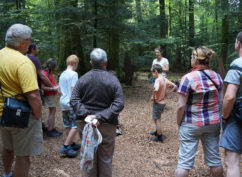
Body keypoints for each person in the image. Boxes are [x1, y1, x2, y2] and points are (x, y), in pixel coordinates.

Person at [70, 48, 124, 177]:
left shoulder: (83, 79)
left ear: (91, 62)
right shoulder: (113, 80)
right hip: (107, 125)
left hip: (86, 125)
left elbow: (74, 100)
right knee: (105, 159)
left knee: (90, 158)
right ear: (105, 62)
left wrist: (88, 115)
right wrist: (99, 117)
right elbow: (119, 103)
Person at [0, 24, 43, 177]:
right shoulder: (23, 63)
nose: (31, 43)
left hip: (2, 113)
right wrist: (38, 115)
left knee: (7, 146)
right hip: (21, 115)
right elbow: (33, 95)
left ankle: (6, 174)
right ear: (22, 42)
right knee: (23, 156)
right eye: (29, 40)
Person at [175, 46, 224, 177]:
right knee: (215, 160)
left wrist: (179, 122)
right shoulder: (217, 77)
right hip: (213, 124)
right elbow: (221, 102)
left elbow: (181, 106)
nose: (191, 59)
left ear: (196, 59)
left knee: (184, 164)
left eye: (192, 57)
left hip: (191, 123)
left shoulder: (187, 78)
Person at [220, 31, 242, 177]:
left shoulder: (238, 64)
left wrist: (225, 116)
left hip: (237, 117)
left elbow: (229, 96)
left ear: (238, 44)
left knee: (232, 161)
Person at [26, 40, 53, 132]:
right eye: (37, 48)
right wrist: (52, 86)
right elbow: (42, 76)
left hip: (26, 87)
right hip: (35, 87)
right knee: (37, 108)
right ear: (33, 49)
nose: (38, 50)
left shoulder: (25, 57)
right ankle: (39, 129)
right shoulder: (34, 59)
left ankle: (35, 127)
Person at [59, 55, 80, 157]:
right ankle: (66, 146)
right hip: (71, 103)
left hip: (63, 102)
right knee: (75, 126)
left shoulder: (62, 74)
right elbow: (74, 90)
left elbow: (59, 90)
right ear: (75, 63)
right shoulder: (74, 74)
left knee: (67, 124)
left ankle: (71, 143)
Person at [150, 64, 177, 142]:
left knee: (157, 119)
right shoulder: (165, 79)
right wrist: (168, 92)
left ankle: (159, 137)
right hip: (163, 103)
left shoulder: (158, 80)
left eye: (152, 73)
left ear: (155, 71)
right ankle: (157, 131)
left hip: (158, 102)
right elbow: (174, 86)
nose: (152, 74)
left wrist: (153, 97)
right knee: (157, 118)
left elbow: (156, 89)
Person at [41, 58, 62, 137]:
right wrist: (53, 88)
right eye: (55, 66)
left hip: (51, 95)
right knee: (52, 112)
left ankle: (51, 128)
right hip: (49, 95)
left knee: (53, 111)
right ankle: (50, 130)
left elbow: (51, 83)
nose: (56, 67)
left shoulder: (48, 73)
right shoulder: (45, 74)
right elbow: (42, 87)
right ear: (53, 66)